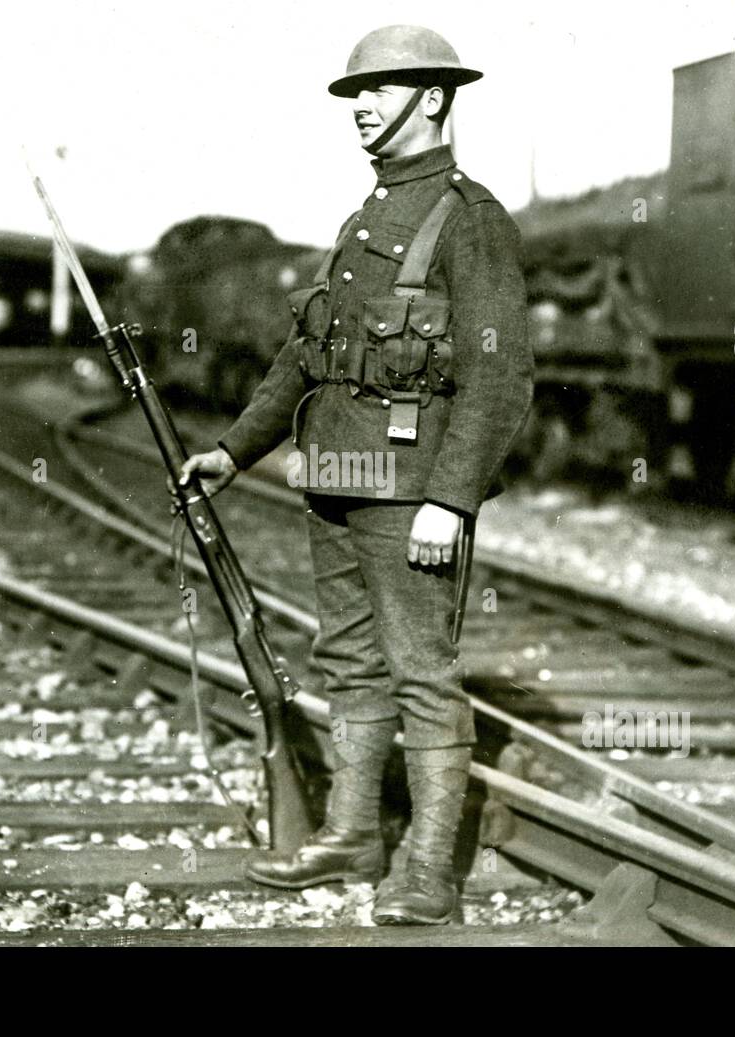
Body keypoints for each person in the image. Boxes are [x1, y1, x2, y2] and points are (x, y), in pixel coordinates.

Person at [179, 24, 533, 925]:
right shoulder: (366, 214)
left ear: (435, 101)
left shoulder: (470, 217)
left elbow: (499, 375)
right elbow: (308, 355)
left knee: (423, 668)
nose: (362, 108)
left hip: (412, 487)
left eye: (379, 92)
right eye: (356, 94)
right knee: (348, 658)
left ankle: (427, 870)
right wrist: (234, 448)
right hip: (336, 471)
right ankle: (350, 834)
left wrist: (451, 500)